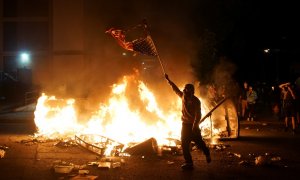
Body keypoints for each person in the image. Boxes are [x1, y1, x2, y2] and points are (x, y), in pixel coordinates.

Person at [164, 74, 211, 170]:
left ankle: (207, 153)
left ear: (191, 91)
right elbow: (175, 89)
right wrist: (169, 80)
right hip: (185, 125)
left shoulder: (196, 101)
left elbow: (198, 114)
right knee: (184, 144)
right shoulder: (183, 96)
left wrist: (195, 125)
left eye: (186, 89)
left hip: (193, 125)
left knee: (199, 142)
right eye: (184, 89)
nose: (184, 90)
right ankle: (189, 163)